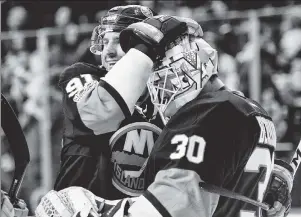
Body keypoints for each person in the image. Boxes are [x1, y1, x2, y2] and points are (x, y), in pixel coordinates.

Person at [37, 15, 294, 217]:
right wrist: (275, 174)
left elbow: (174, 209)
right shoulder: (251, 110)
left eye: (160, 72)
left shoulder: (207, 113)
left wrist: (95, 209)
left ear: (186, 67)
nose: (154, 84)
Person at [53, 5, 164, 200]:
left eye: (119, 41)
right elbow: (98, 114)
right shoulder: (81, 76)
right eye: (104, 42)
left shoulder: (164, 96)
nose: (108, 52)